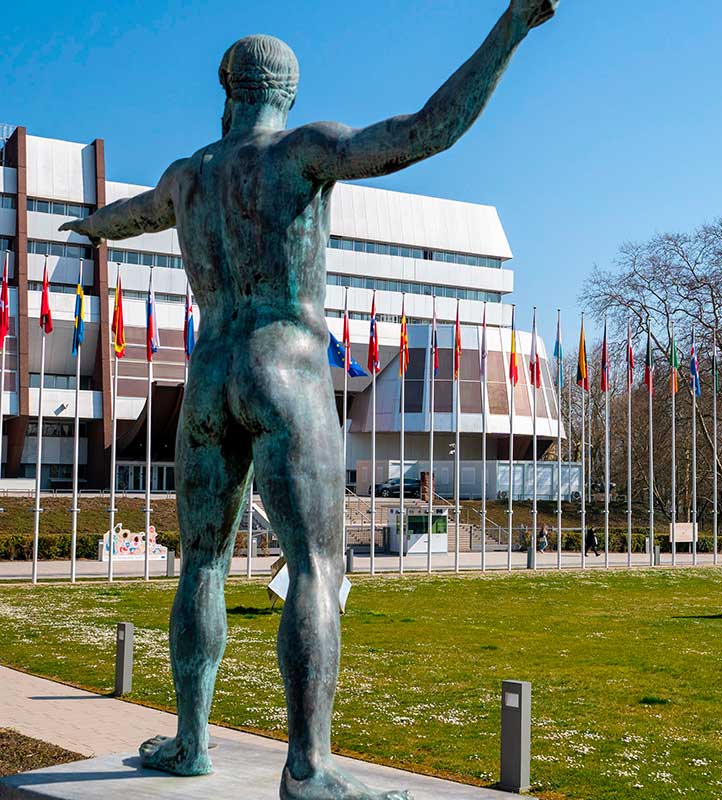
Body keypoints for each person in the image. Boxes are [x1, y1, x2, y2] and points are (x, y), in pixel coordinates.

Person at [61, 3, 558, 798]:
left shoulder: (188, 176)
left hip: (211, 371)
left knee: (203, 565)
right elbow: (429, 129)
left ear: (228, 90)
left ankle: (191, 741)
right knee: (319, 566)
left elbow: (130, 219)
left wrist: (88, 225)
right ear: (286, 94)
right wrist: (511, 28)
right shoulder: (301, 151)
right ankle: (308, 764)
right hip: (285, 368)